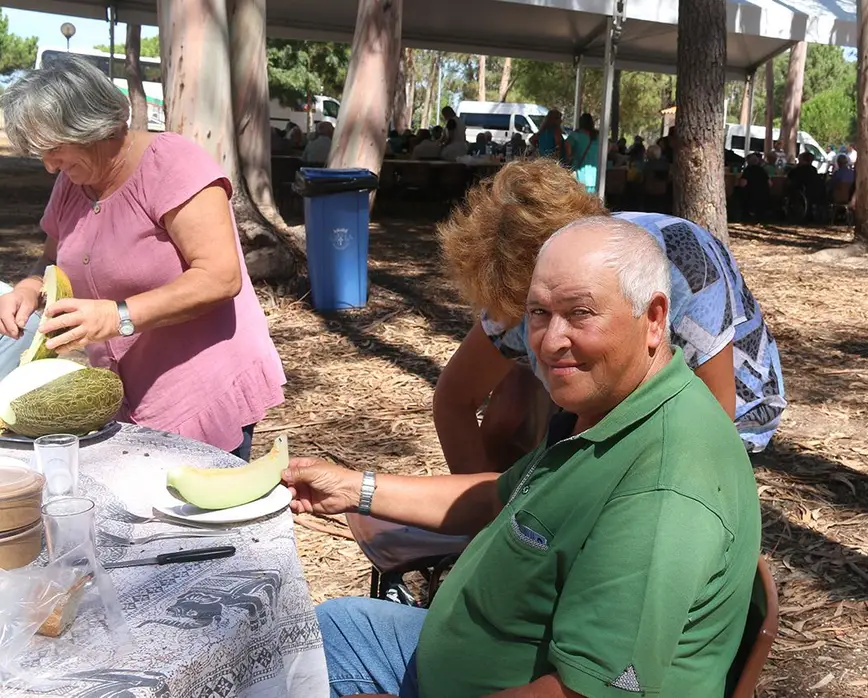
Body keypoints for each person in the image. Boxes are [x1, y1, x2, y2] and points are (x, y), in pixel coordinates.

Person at [293, 216, 761, 698]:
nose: (549, 340)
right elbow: (498, 496)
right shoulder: (608, 409)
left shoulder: (665, 485)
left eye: (580, 313)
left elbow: (585, 693)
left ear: (655, 318)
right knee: (322, 632)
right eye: (538, 313)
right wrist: (355, 488)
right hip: (460, 655)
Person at [0, 55, 285, 459]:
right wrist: (28, 290)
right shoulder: (72, 182)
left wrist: (116, 316)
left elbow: (220, 277)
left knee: (199, 518)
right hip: (128, 397)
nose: (50, 167)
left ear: (91, 127)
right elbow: (49, 261)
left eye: (54, 150)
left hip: (200, 387)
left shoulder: (171, 163)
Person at [435, 159, 785, 474]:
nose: (551, 333)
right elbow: (455, 398)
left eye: (575, 310)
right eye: (537, 310)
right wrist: (481, 519)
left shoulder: (683, 267)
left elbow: (712, 425)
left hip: (724, 402)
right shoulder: (514, 286)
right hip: (599, 389)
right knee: (508, 409)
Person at [565, 112, 600, 193]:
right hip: (595, 176)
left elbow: (567, 144)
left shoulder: (576, 135)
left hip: (580, 174)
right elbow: (609, 146)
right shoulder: (597, 136)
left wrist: (569, 156)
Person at [734, 152, 771, 219]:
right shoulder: (763, 171)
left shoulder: (748, 170)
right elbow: (770, 183)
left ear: (748, 162)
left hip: (751, 196)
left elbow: (743, 184)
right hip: (764, 196)